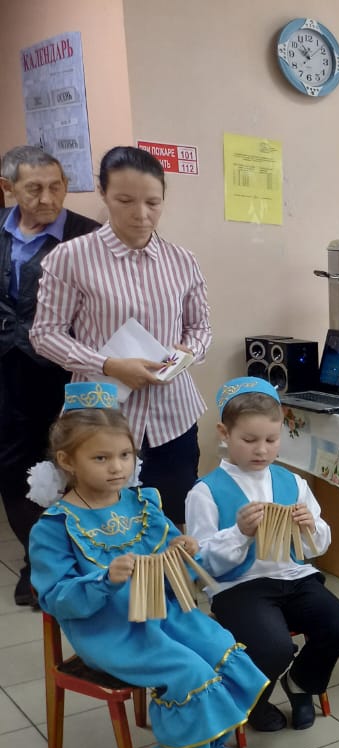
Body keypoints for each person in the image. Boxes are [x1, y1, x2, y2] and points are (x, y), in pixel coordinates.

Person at [27, 382, 266, 748]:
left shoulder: (142, 504)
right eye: (100, 458)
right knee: (186, 672)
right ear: (68, 460)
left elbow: (172, 544)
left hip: (164, 610)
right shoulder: (55, 526)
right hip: (111, 629)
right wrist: (105, 579)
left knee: (219, 647)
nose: (116, 467)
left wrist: (183, 545)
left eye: (124, 455)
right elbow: (56, 597)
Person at [30, 146, 212, 525]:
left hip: (171, 416)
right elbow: (46, 334)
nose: (141, 214)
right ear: (103, 192)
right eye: (125, 200)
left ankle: (167, 586)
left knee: (171, 522)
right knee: (104, 525)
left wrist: (187, 353)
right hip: (100, 416)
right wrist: (109, 365)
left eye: (153, 202)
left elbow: (201, 328)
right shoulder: (72, 257)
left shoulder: (182, 261)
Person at [186, 377, 339, 732]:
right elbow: (201, 564)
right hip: (238, 586)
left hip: (292, 576)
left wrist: (310, 526)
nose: (261, 450)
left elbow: (317, 546)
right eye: (249, 440)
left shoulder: (292, 483)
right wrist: (240, 533)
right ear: (224, 433)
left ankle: (301, 684)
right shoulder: (204, 491)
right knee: (273, 647)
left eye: (271, 440)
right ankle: (253, 700)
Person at [0, 146, 100, 607]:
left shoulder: (88, 237)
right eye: (34, 188)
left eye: (56, 186)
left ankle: (73, 560)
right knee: (12, 468)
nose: (48, 198)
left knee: (68, 464)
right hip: (6, 370)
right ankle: (36, 561)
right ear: (9, 188)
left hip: (65, 371)